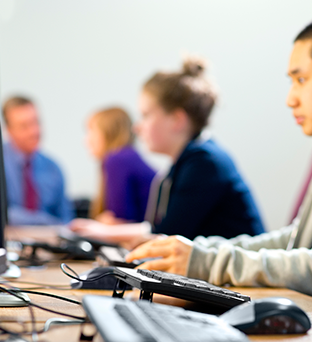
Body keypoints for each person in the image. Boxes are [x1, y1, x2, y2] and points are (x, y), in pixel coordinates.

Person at [124, 18, 312, 314]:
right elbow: (295, 239)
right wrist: (202, 252)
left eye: (301, 80)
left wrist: (205, 262)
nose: (290, 99)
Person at [71, 58, 264, 241]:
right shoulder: (185, 163)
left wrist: (107, 232)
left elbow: (166, 235)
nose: (137, 127)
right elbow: (159, 229)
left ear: (177, 120)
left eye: (146, 115)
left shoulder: (205, 162)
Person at [2, 96, 73, 225]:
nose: (34, 131)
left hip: (48, 242)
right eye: (24, 126)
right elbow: (1, 215)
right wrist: (45, 221)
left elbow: (66, 221)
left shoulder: (53, 168)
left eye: (36, 122)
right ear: (9, 130)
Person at [84, 106, 155, 224]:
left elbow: (119, 220)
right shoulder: (127, 156)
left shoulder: (117, 159)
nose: (87, 140)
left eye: (91, 130)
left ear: (109, 132)